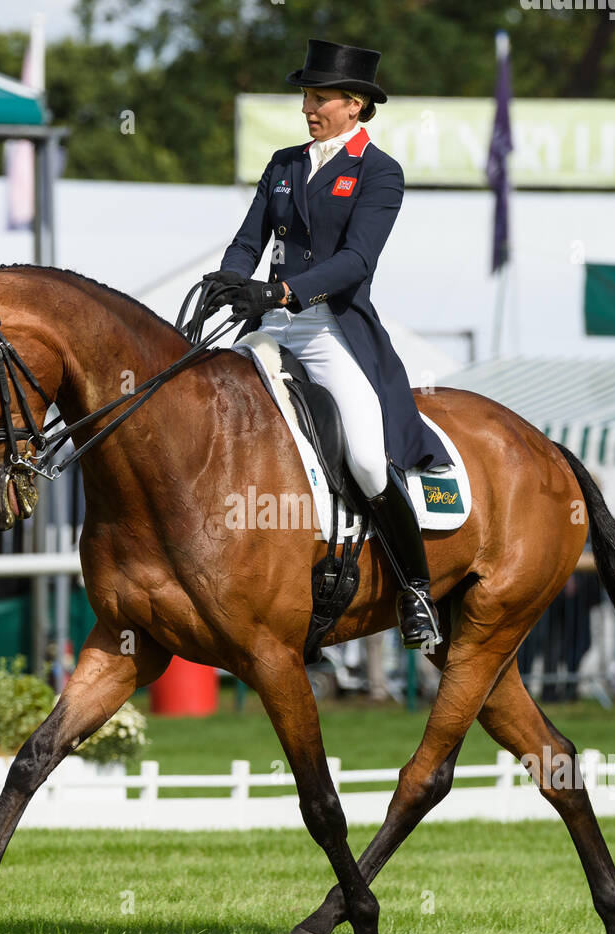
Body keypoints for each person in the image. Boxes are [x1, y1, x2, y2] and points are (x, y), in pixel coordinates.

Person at [202, 38, 451, 650]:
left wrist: (280, 292)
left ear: (356, 105)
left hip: (327, 327)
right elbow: (247, 239)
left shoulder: (379, 172)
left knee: (366, 457)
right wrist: (231, 280)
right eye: (307, 97)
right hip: (268, 327)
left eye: (320, 98)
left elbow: (355, 262)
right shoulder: (285, 164)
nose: (308, 108)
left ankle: (415, 588)